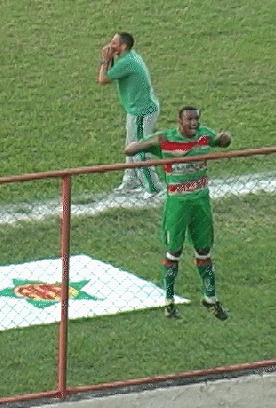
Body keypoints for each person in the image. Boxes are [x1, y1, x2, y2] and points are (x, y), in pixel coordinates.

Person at [124, 106, 231, 320]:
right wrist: (138, 146)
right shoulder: (165, 139)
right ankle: (169, 301)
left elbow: (221, 142)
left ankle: (210, 298)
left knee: (204, 249)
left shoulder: (204, 136)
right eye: (189, 120)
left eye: (196, 119)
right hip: (177, 204)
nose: (194, 123)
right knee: (174, 251)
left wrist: (224, 138)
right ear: (179, 121)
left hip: (201, 201)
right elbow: (130, 150)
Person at [97, 32, 162, 194]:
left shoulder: (127, 62)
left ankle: (154, 188)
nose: (110, 45)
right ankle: (132, 181)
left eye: (114, 43)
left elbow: (103, 79)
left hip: (142, 111)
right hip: (137, 110)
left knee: (139, 149)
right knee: (130, 146)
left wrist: (105, 59)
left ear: (123, 46)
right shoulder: (130, 58)